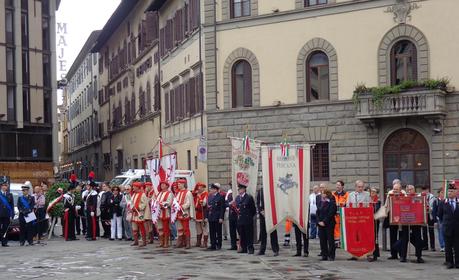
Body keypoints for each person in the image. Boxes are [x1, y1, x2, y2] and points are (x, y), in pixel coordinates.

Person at [400, 185, 424, 263]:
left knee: (418, 238)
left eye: (411, 189)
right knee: (404, 239)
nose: (410, 191)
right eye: (408, 190)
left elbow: (420, 207)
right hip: (405, 219)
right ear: (406, 190)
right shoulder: (403, 198)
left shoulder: (417, 197)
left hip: (416, 220)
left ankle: (419, 256)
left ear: (414, 190)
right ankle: (403, 256)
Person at [438, 184, 459, 269]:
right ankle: (449, 262)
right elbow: (440, 214)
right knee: (448, 247)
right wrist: (445, 223)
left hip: (457, 228)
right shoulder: (443, 202)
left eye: (452, 191)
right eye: (449, 191)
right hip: (447, 228)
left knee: (457, 246)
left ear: (456, 192)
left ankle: (457, 263)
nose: (449, 193)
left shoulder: (458, 202)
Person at [385, 181, 407, 261]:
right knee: (392, 236)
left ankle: (401, 254)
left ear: (400, 189)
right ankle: (393, 254)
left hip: (402, 217)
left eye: (397, 189)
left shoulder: (404, 193)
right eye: (394, 189)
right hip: (392, 216)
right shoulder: (390, 193)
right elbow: (387, 204)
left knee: (401, 236)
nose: (395, 191)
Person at [256, 187, 279, 256]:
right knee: (263, 233)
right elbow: (258, 202)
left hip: (271, 214)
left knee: (273, 232)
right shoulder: (261, 190)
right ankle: (262, 250)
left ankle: (275, 249)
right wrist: (261, 211)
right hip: (263, 215)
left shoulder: (272, 189)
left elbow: (276, 202)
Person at [235, 184, 256, 254]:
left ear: (244, 189)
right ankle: (243, 248)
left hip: (247, 219)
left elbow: (253, 209)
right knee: (242, 234)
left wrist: (249, 216)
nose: (239, 190)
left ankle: (250, 248)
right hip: (240, 219)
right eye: (238, 189)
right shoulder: (237, 198)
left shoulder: (249, 197)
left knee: (249, 234)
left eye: (240, 189)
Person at [317, 189, 337, 261]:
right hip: (320, 224)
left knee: (330, 239)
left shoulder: (332, 203)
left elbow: (331, 214)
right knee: (322, 240)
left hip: (329, 224)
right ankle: (324, 254)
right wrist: (319, 221)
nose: (322, 195)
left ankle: (331, 255)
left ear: (327, 194)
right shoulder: (320, 202)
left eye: (323, 193)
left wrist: (324, 222)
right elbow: (318, 212)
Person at [175, 179, 195, 249]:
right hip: (179, 213)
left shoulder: (188, 192)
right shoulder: (179, 192)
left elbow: (188, 203)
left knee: (186, 228)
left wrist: (182, 206)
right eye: (178, 184)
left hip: (185, 213)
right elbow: (176, 201)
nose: (178, 185)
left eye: (179, 184)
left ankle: (188, 243)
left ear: (183, 184)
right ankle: (180, 242)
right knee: (180, 228)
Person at [155, 181, 174, 248]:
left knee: (166, 228)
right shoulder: (159, 193)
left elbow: (169, 203)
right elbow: (156, 201)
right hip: (159, 213)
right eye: (161, 184)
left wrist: (161, 204)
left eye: (163, 184)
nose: (162, 185)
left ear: (167, 186)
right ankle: (161, 242)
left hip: (165, 212)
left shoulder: (169, 194)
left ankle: (166, 242)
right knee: (160, 228)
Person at [207, 183, 225, 250]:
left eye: (211, 189)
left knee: (218, 231)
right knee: (212, 231)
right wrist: (206, 216)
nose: (210, 190)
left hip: (217, 217)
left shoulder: (220, 196)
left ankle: (219, 244)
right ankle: (213, 244)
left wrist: (221, 217)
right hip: (211, 216)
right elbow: (208, 208)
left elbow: (222, 208)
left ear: (215, 190)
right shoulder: (210, 196)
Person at [130, 182, 148, 247]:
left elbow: (144, 204)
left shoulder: (142, 194)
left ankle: (144, 241)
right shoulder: (133, 194)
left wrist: (138, 207)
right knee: (134, 228)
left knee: (141, 227)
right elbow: (131, 203)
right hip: (134, 213)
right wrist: (132, 207)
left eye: (134, 186)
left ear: (138, 187)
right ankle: (136, 241)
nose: (133, 188)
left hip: (140, 213)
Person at [332, 180, 348, 247]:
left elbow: (347, 203)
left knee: (343, 228)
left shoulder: (346, 194)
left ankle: (343, 242)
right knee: (335, 228)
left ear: (342, 186)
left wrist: (342, 204)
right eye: (336, 185)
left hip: (343, 214)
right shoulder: (333, 194)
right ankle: (337, 243)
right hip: (335, 214)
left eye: (339, 185)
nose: (337, 186)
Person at [193, 182, 208, 248]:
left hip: (203, 213)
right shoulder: (196, 194)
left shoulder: (206, 194)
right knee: (198, 228)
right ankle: (198, 242)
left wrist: (200, 198)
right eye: (198, 187)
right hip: (197, 213)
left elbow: (204, 204)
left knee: (204, 228)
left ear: (203, 188)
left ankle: (205, 243)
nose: (198, 189)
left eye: (200, 187)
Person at [421, 186, 436, 251]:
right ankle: (425, 245)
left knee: (431, 231)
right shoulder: (420, 196)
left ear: (428, 190)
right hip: (423, 215)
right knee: (424, 231)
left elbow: (433, 207)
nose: (424, 191)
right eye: (423, 190)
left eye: (425, 190)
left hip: (430, 215)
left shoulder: (432, 197)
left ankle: (432, 246)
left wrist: (429, 207)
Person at [368, 187, 381, 262]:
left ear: (376, 193)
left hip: (375, 220)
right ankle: (370, 253)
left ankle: (375, 254)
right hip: (368, 220)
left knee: (375, 237)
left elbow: (376, 210)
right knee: (369, 237)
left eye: (374, 192)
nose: (372, 193)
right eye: (371, 191)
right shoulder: (368, 200)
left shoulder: (377, 201)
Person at [0, 181, 14, 247]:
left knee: (5, 229)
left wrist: (11, 215)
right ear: (1, 186)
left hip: (7, 214)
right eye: (3, 185)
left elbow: (12, 206)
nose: (4, 187)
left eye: (6, 186)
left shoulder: (9, 195)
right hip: (0, 214)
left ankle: (4, 242)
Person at [225, 185, 238, 250]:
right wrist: (230, 204)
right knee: (232, 231)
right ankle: (233, 245)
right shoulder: (230, 194)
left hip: (237, 215)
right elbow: (226, 203)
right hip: (231, 214)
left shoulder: (238, 194)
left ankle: (241, 245)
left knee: (239, 231)